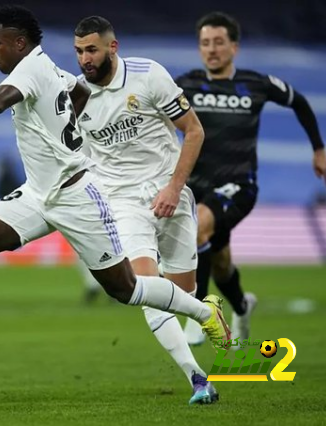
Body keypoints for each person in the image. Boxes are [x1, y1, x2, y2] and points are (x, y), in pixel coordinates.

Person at [0, 5, 230, 390]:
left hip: (77, 197)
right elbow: (78, 94)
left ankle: (201, 311)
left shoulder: (32, 71)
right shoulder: (55, 71)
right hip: (40, 193)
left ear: (18, 43)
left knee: (128, 290)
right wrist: (66, 134)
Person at [72, 16, 218, 404]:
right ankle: (198, 378)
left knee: (180, 292)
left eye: (91, 50)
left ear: (112, 48)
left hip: (169, 193)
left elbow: (195, 130)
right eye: (79, 51)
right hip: (122, 202)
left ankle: (203, 309)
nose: (84, 59)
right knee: (143, 289)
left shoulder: (148, 74)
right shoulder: (75, 96)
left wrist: (174, 187)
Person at [176, 12, 326, 346]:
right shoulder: (184, 84)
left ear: (234, 46)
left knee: (199, 226)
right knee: (220, 264)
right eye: (205, 43)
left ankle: (200, 314)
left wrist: (319, 150)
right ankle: (243, 307)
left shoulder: (256, 83)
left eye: (219, 42)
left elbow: (299, 102)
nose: (212, 49)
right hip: (195, 186)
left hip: (239, 186)